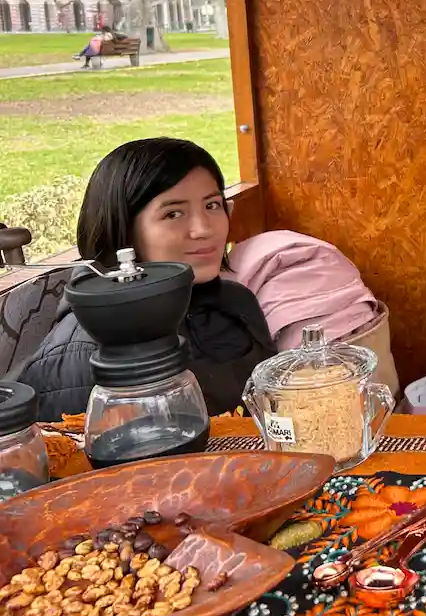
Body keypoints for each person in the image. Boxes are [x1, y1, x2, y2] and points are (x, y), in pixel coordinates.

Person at [17, 138, 275, 421]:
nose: (203, 229)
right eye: (173, 213)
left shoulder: (236, 302)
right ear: (122, 227)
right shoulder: (86, 349)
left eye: (212, 205)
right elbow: (69, 446)